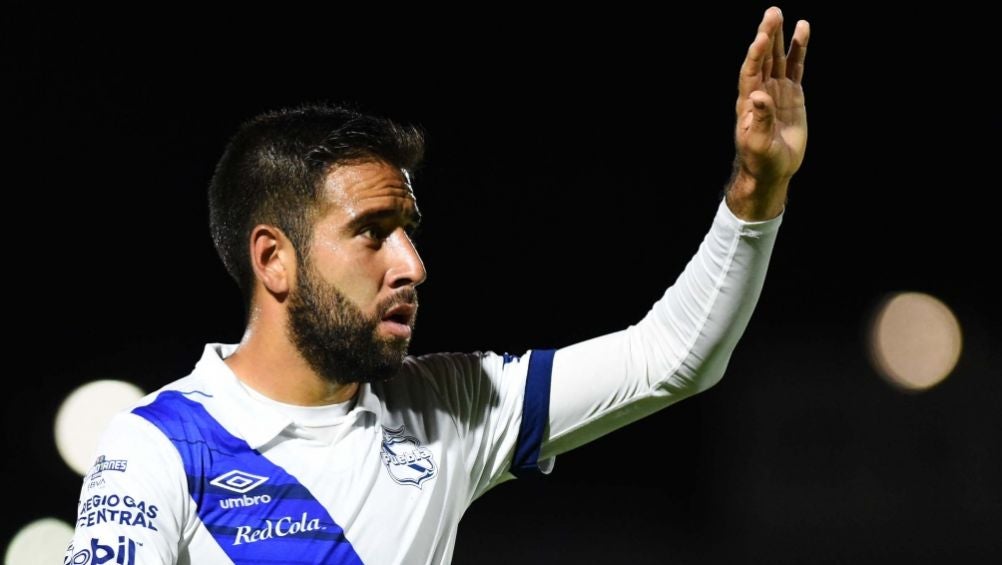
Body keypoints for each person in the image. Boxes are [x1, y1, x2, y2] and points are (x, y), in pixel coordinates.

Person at [66, 6, 809, 564]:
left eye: (409, 230)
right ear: (273, 260)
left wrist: (756, 186)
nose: (411, 265)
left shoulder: (448, 406)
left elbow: (672, 356)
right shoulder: (157, 447)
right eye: (372, 232)